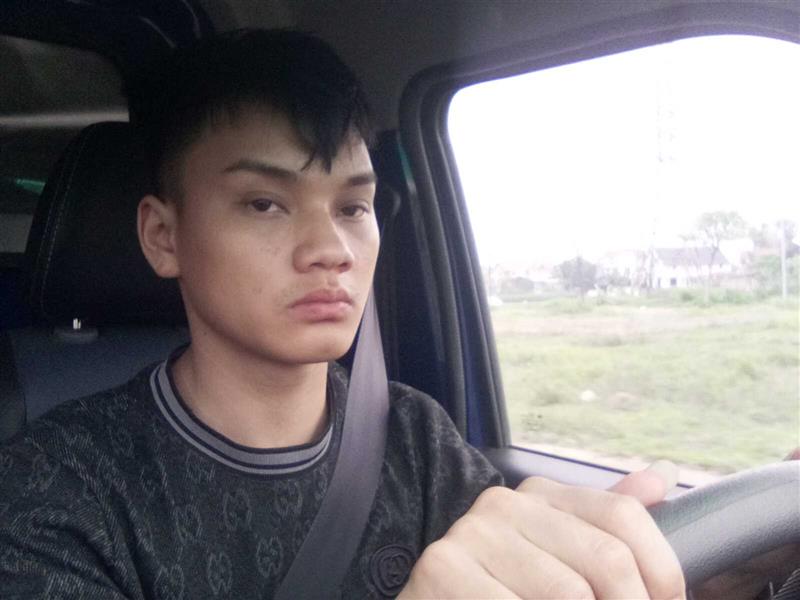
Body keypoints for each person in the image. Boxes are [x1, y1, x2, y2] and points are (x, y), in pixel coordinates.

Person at [0, 29, 792, 599]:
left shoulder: (412, 436)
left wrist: (699, 572)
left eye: (353, 207)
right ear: (163, 236)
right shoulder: (57, 486)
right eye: (265, 203)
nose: (331, 249)